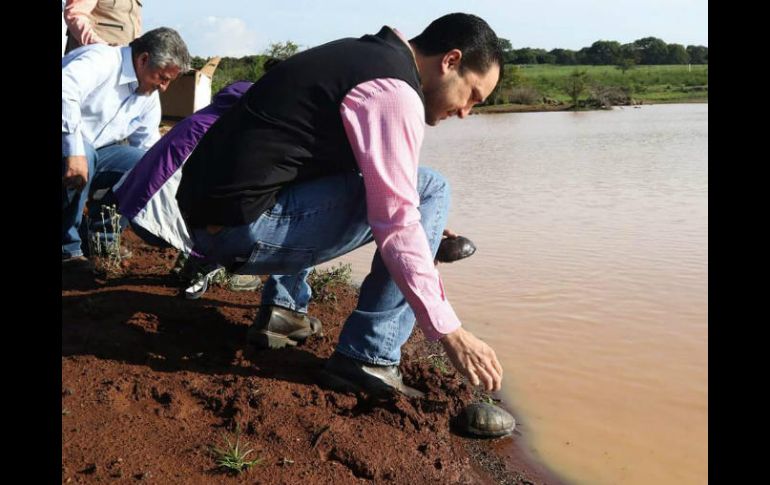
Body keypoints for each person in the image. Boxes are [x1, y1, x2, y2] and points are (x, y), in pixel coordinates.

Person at [176, 13, 508, 434]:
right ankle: (370, 355)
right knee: (431, 189)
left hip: (212, 221)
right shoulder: (395, 92)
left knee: (393, 191)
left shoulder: (364, 59)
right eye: (473, 96)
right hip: (241, 229)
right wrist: (450, 331)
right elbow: (397, 223)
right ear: (450, 60)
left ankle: (284, 310)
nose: (465, 111)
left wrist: (422, 225)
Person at [112, 80, 262, 294]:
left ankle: (194, 262)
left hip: (134, 206)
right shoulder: (230, 131)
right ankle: (211, 267)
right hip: (155, 219)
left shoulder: (208, 117)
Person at [62, 27, 191, 267]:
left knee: (144, 165)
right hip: (69, 141)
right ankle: (66, 248)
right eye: (163, 78)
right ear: (143, 60)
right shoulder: (102, 60)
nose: (164, 88)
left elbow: (149, 148)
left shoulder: (148, 97)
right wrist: (74, 150)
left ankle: (99, 239)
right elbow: (64, 90)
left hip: (95, 153)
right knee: (84, 153)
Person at [63, 0, 142, 54]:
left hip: (123, 59)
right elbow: (75, 15)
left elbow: (134, 25)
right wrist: (99, 46)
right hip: (94, 58)